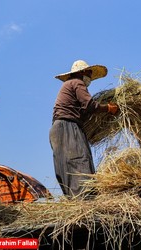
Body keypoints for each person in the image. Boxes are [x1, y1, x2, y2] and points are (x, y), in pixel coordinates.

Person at [49, 60, 119, 198]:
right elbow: (90, 105)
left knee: (65, 165)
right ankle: (86, 199)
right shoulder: (77, 82)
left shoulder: (67, 85)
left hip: (57, 129)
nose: (90, 78)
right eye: (89, 73)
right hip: (67, 127)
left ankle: (73, 199)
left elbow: (82, 110)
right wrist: (108, 108)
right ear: (82, 72)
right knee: (80, 160)